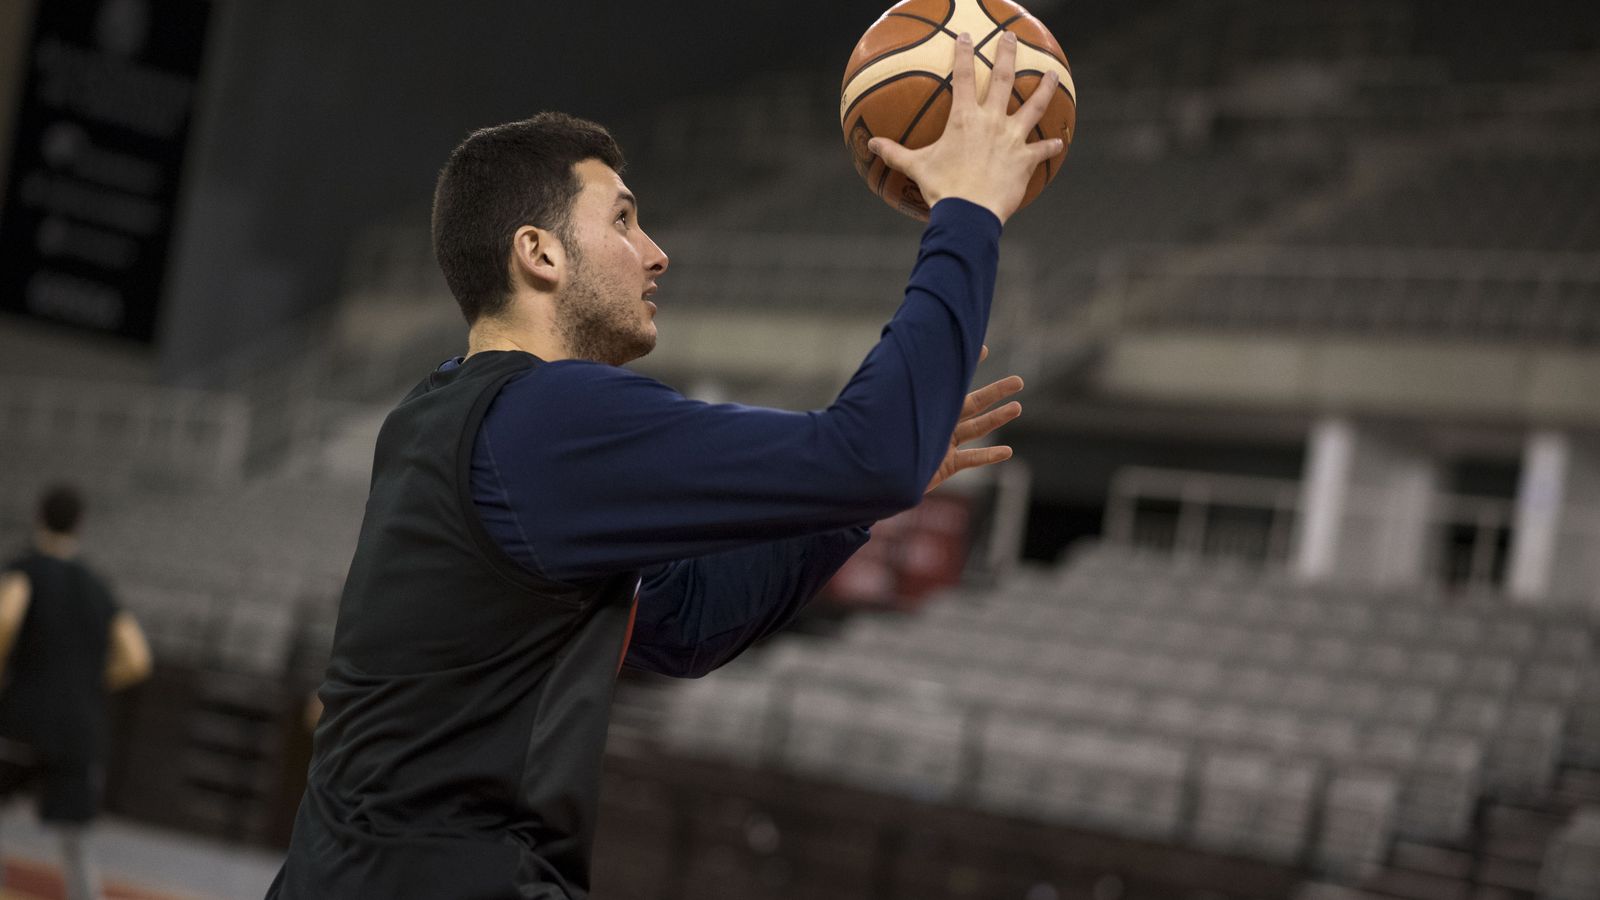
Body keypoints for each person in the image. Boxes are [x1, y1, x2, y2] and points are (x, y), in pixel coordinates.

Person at [269, 31, 1061, 900]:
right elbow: (869, 451)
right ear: (539, 253)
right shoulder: (545, 417)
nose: (656, 252)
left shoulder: (439, 414)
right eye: (622, 219)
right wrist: (970, 211)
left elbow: (683, 624)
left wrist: (853, 500)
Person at [0, 484, 154, 900]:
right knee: (77, 842)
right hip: (79, 728)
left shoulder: (24, 569)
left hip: (23, 718)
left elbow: (5, 618)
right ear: (81, 525)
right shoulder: (98, 586)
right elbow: (137, 657)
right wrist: (87, 681)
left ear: (38, 517)